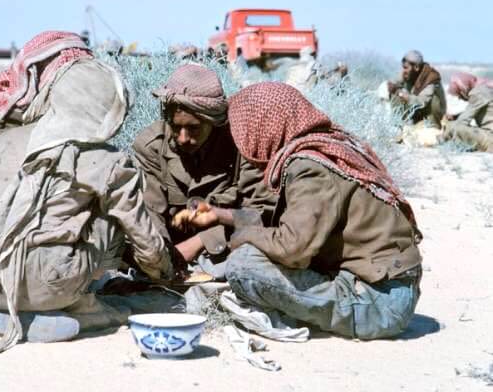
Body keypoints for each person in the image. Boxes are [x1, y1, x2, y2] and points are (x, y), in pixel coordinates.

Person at [0, 33, 174, 354]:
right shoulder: (109, 161)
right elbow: (144, 239)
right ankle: (84, 312)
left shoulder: (1, 142)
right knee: (108, 219)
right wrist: (163, 273)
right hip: (53, 286)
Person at [175, 82, 423, 340]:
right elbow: (283, 229)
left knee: (243, 266)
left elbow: (292, 249)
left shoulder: (308, 167)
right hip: (387, 287)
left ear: (263, 126)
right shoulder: (324, 146)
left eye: (242, 130)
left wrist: (241, 237)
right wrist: (219, 215)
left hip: (381, 301)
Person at [132, 64, 275, 278]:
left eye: (194, 128)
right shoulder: (151, 146)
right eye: (175, 126)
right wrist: (162, 255)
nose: (183, 138)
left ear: (213, 121)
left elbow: (260, 215)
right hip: (172, 249)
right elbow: (149, 212)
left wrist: (201, 242)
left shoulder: (242, 144)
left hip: (230, 245)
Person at [388, 50, 446, 128]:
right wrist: (393, 86)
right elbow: (393, 83)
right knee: (396, 94)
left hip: (429, 111)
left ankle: (434, 127)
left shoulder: (431, 79)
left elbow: (422, 102)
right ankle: (398, 125)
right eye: (403, 67)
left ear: (416, 67)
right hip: (416, 109)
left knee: (433, 100)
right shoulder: (408, 73)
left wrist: (403, 95)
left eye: (406, 68)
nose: (403, 71)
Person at [443, 72, 493, 152]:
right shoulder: (486, 89)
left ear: (463, 89)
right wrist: (455, 117)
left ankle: (438, 141)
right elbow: (479, 111)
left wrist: (442, 134)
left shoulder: (478, 93)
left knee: (453, 127)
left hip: (490, 140)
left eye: (459, 94)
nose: (459, 98)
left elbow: (462, 122)